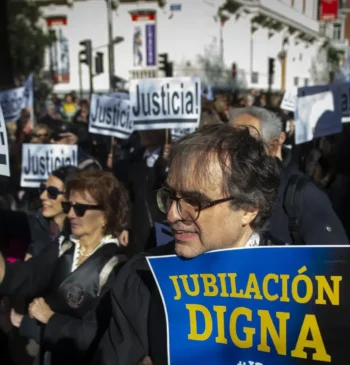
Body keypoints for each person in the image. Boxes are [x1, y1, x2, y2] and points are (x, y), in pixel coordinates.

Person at [91, 124, 282, 365]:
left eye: (194, 201)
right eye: (171, 196)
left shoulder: (303, 283)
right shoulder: (143, 276)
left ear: (248, 209)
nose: (172, 215)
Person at [0, 170, 129, 365]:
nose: (69, 214)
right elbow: (18, 279)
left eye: (80, 209)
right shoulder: (64, 248)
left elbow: (97, 335)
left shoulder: (118, 266)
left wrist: (50, 318)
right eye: (69, 206)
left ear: (105, 214)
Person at [229, 106, 349, 245]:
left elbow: (332, 263)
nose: (231, 149)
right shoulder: (215, 191)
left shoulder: (304, 197)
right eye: (226, 139)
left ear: (273, 146)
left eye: (244, 142)